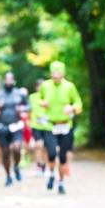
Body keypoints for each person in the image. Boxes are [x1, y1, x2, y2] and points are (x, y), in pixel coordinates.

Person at [38, 61, 83, 195]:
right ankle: (51, 174)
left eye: (58, 73)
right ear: (51, 73)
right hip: (50, 125)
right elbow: (38, 100)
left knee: (63, 156)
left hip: (65, 125)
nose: (56, 76)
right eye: (54, 73)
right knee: (52, 153)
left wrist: (72, 107)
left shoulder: (70, 87)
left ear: (63, 73)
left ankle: (61, 183)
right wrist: (42, 103)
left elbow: (79, 103)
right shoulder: (45, 86)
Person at [0, 72, 28, 186]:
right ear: (4, 81)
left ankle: (16, 166)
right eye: (6, 79)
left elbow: (28, 106)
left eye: (10, 79)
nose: (8, 81)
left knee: (17, 148)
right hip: (3, 127)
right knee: (5, 153)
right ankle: (8, 176)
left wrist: (22, 108)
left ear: (14, 81)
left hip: (16, 125)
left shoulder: (19, 94)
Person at [27, 79, 50, 175]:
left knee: (47, 147)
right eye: (38, 86)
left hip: (47, 125)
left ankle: (46, 165)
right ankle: (39, 165)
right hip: (36, 125)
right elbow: (29, 110)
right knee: (38, 145)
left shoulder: (49, 96)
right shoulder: (32, 97)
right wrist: (28, 122)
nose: (40, 88)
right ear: (36, 87)